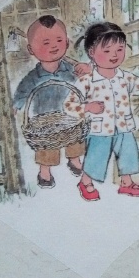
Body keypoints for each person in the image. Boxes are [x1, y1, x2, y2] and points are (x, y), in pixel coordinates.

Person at [64, 22, 139, 201]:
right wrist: (87, 108)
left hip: (124, 126)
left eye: (119, 49)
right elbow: (69, 105)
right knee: (96, 157)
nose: (114, 55)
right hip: (99, 130)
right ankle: (86, 182)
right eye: (107, 51)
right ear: (91, 53)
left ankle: (127, 183)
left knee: (128, 154)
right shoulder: (87, 81)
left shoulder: (125, 78)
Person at [13, 15, 90, 188]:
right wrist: (16, 106)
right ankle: (45, 171)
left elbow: (89, 81)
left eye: (59, 40)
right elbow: (22, 92)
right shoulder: (33, 77)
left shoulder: (72, 70)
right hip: (44, 121)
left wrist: (87, 71)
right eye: (45, 43)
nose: (53, 46)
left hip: (71, 116)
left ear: (67, 43)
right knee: (46, 145)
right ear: (31, 49)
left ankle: (74, 160)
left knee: (75, 138)